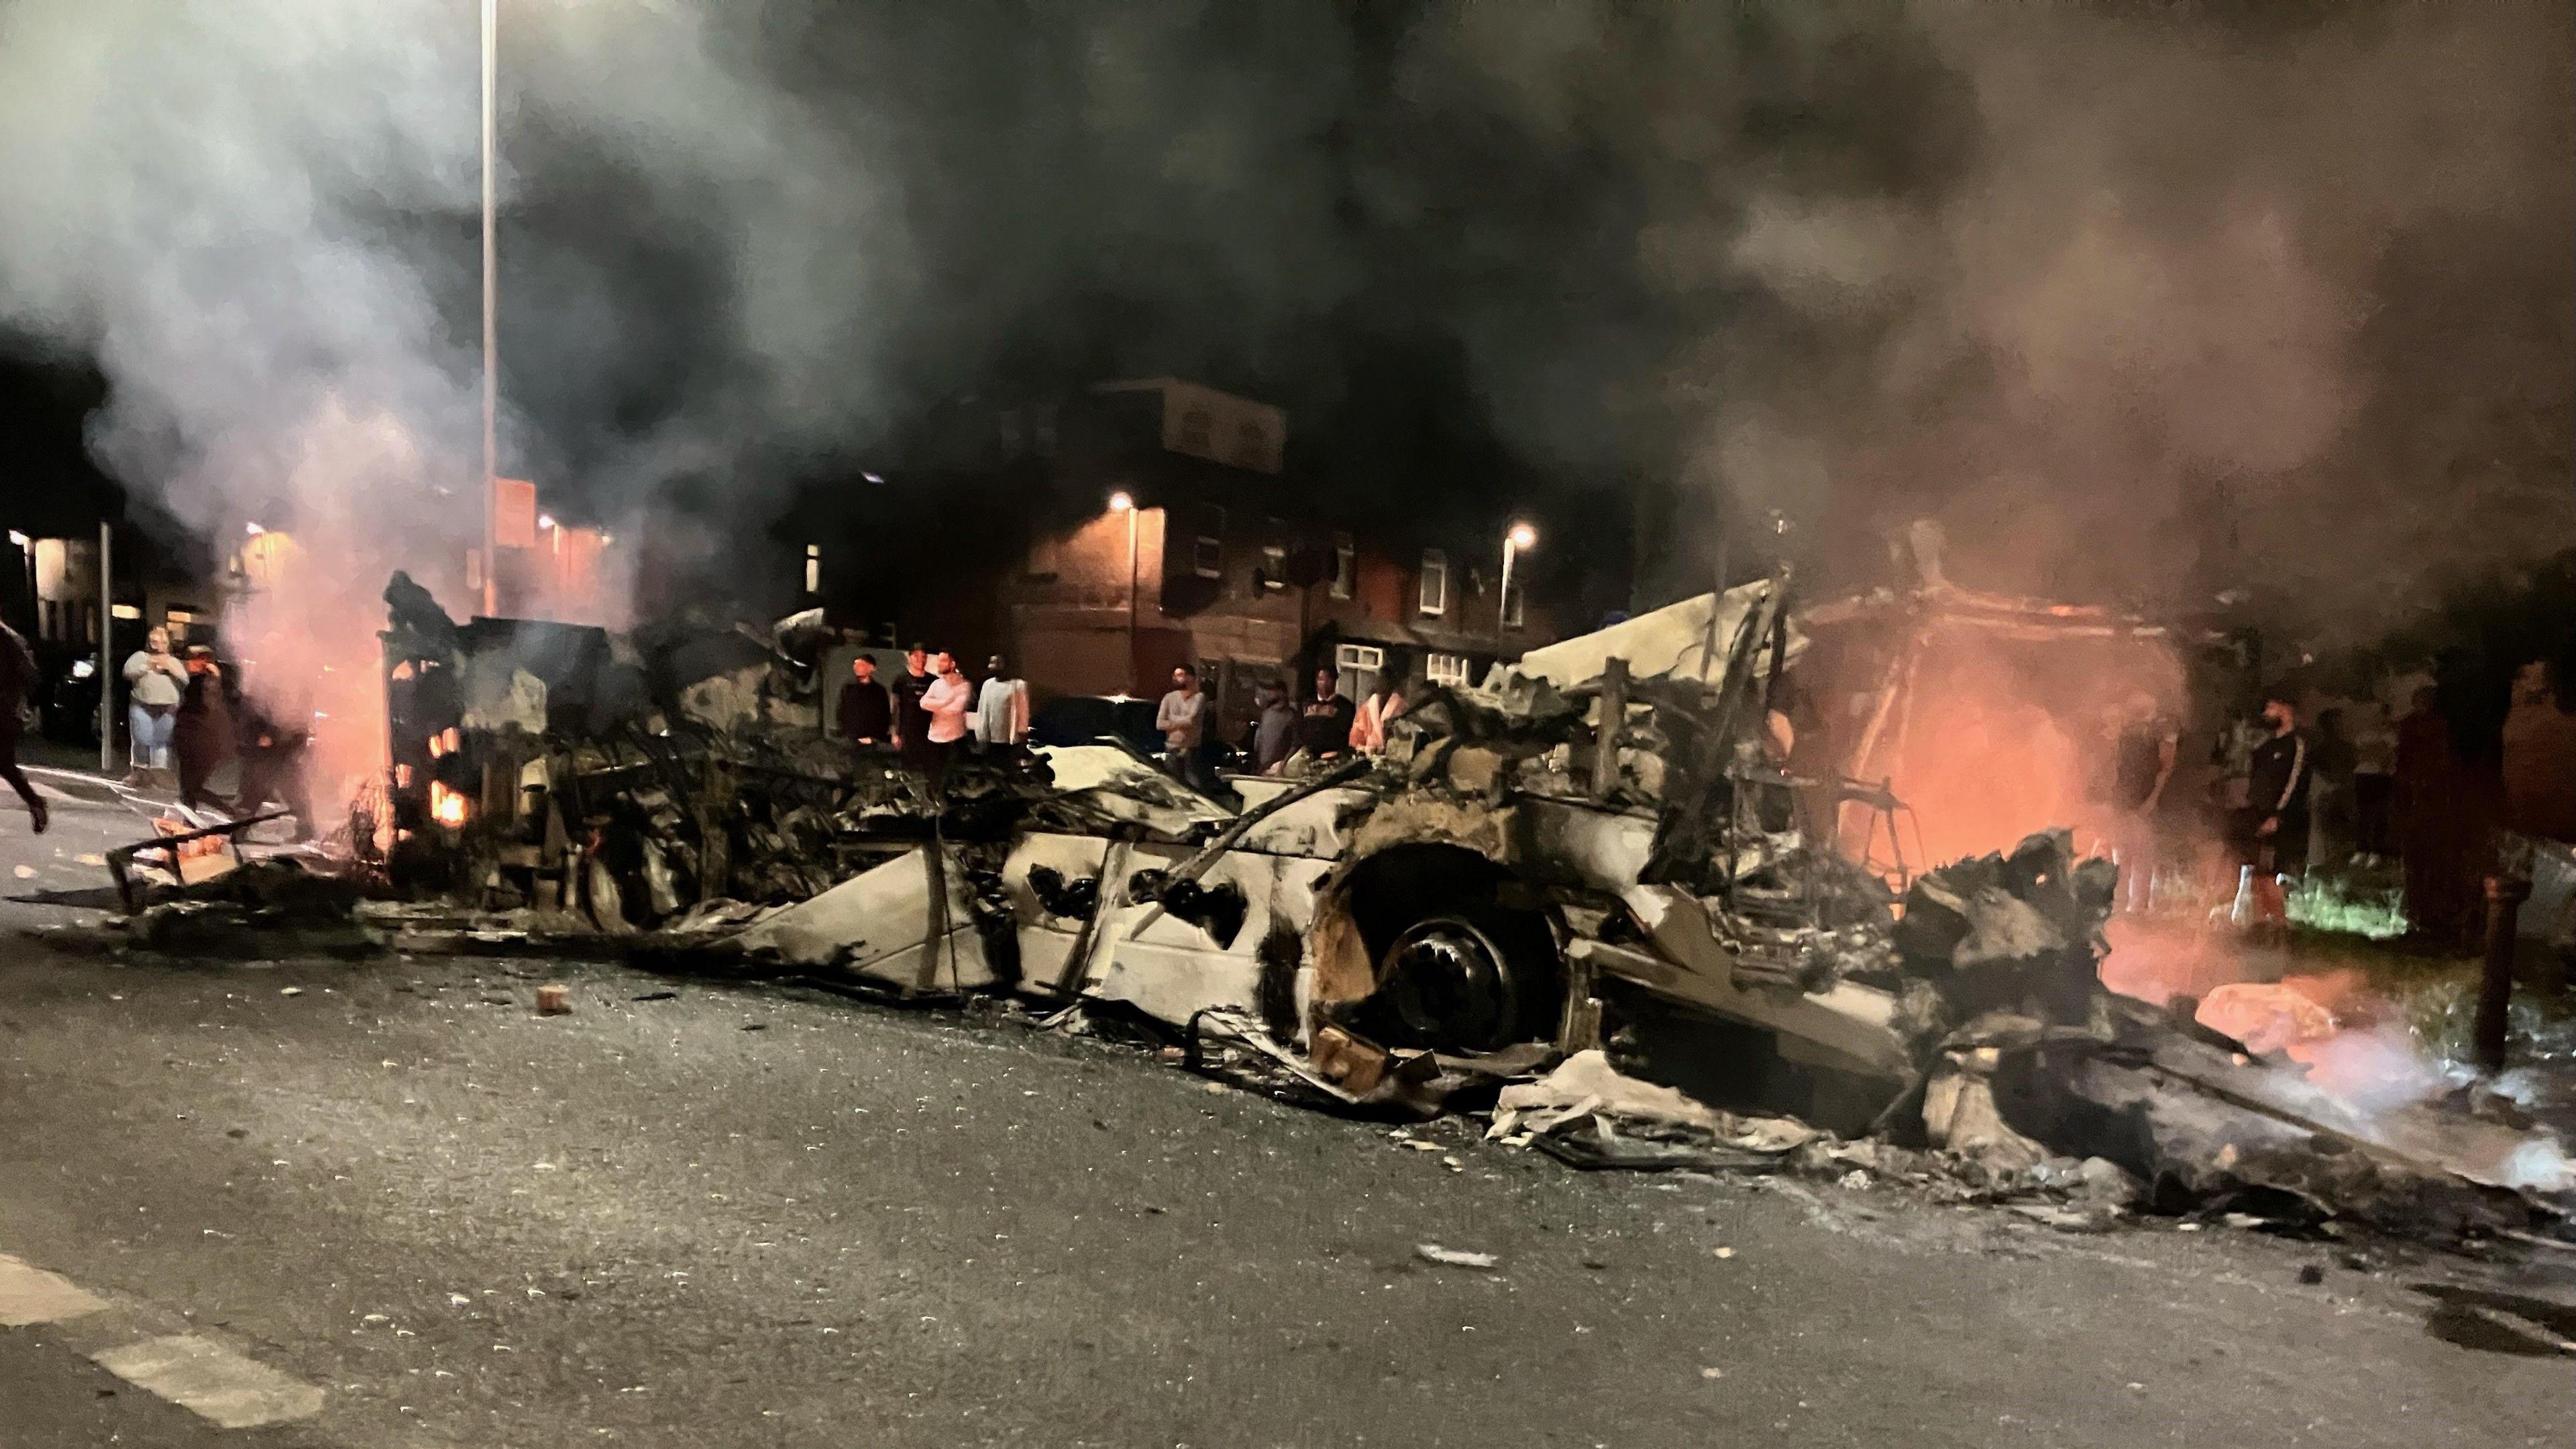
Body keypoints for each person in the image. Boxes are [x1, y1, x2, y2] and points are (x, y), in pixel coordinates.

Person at [2108, 694, 2178, 913]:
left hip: (2143, 801)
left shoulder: (2159, 734)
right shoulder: (2126, 734)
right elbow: (2118, 769)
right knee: (2122, 854)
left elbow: (2165, 770)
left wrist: (2151, 800)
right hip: (2123, 800)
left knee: (2140, 855)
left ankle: (2136, 907)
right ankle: (2119, 904)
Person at [232, 667, 317, 843]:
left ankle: (306, 829)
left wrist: (273, 737)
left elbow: (296, 723)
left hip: (282, 751)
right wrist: (258, 738)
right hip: (271, 752)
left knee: (291, 792)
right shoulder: (268, 692)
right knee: (256, 793)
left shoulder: (295, 692)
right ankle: (239, 833)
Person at [2240, 694, 2311, 881]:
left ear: (2286, 710)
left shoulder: (2296, 745)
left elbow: (2295, 782)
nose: (2266, 713)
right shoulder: (2266, 746)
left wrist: (2278, 815)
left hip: (2283, 823)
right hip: (2258, 817)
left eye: (2271, 708)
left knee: (2278, 875)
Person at [172, 645, 233, 814]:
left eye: (195, 659)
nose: (189, 663)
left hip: (202, 742)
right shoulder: (194, 682)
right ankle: (189, 823)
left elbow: (209, 708)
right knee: (188, 789)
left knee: (192, 788)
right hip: (190, 741)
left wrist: (215, 679)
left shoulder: (206, 683)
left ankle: (233, 812)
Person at [123, 625, 187, 780]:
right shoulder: (140, 657)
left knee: (161, 743)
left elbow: (185, 679)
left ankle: (159, 776)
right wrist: (148, 666)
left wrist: (169, 667)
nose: (158, 645)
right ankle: (140, 774)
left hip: (167, 709)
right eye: (154, 641)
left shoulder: (174, 662)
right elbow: (127, 672)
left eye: (162, 641)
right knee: (142, 739)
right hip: (142, 706)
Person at [0, 619, 46, 834]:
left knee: (5, 763)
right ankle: (35, 802)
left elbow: (30, 675)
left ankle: (36, 802)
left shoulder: (8, 639)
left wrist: (26, 704)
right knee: (5, 764)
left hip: (5, 711)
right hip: (9, 711)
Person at [918, 650, 975, 792]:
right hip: (935, 738)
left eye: (943, 661)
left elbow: (955, 709)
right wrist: (945, 701)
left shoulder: (964, 685)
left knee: (948, 779)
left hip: (953, 740)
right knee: (933, 777)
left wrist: (936, 705)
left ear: (952, 663)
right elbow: (923, 703)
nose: (939, 664)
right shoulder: (937, 684)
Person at [1156, 665, 1208, 786]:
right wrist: (1182, 722)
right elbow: (1160, 724)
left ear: (1191, 677)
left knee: (1192, 782)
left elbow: (1191, 720)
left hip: (1191, 749)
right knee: (1171, 783)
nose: (1176, 678)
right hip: (1171, 747)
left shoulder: (1199, 698)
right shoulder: (1169, 698)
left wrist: (1172, 719)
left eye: (1181, 675)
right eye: (1175, 675)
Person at [1295, 667, 1354, 761]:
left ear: (1335, 681)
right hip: (1306, 756)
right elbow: (1299, 732)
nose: (1325, 684)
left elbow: (1345, 733)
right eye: (1321, 680)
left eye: (1329, 680)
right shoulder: (1307, 704)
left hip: (1333, 758)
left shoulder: (1345, 706)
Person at [973, 655, 1029, 749]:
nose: (991, 666)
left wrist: (1022, 733)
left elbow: (1023, 712)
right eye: (991, 663)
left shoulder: (1018, 685)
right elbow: (982, 710)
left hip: (1009, 739)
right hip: (990, 738)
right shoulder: (988, 684)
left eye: (996, 663)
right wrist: (981, 733)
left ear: (1005, 665)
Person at [891, 644, 933, 765]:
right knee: (907, 766)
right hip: (907, 732)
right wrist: (895, 734)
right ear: (910, 658)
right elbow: (894, 708)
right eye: (916, 656)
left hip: (928, 732)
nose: (920, 659)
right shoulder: (901, 679)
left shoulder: (933, 680)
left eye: (924, 656)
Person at [837, 654, 892, 747]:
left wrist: (875, 738)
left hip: (872, 741)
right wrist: (847, 735)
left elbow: (884, 715)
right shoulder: (848, 688)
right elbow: (841, 712)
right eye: (855, 665)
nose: (856, 668)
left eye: (861, 665)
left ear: (872, 668)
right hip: (851, 740)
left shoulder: (879, 691)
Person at [1350, 674, 1405, 756]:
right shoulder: (1366, 708)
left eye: (1386, 683)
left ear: (1392, 686)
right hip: (1368, 756)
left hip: (1392, 755)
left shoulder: (1402, 708)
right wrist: (1364, 749)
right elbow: (1355, 740)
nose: (1382, 686)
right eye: (1380, 682)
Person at [1252, 676, 1296, 773]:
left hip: (1280, 769)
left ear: (1281, 693)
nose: (1267, 694)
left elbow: (1295, 743)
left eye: (1271, 690)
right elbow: (1258, 742)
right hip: (1263, 767)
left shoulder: (1292, 716)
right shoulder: (1266, 714)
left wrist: (1284, 764)